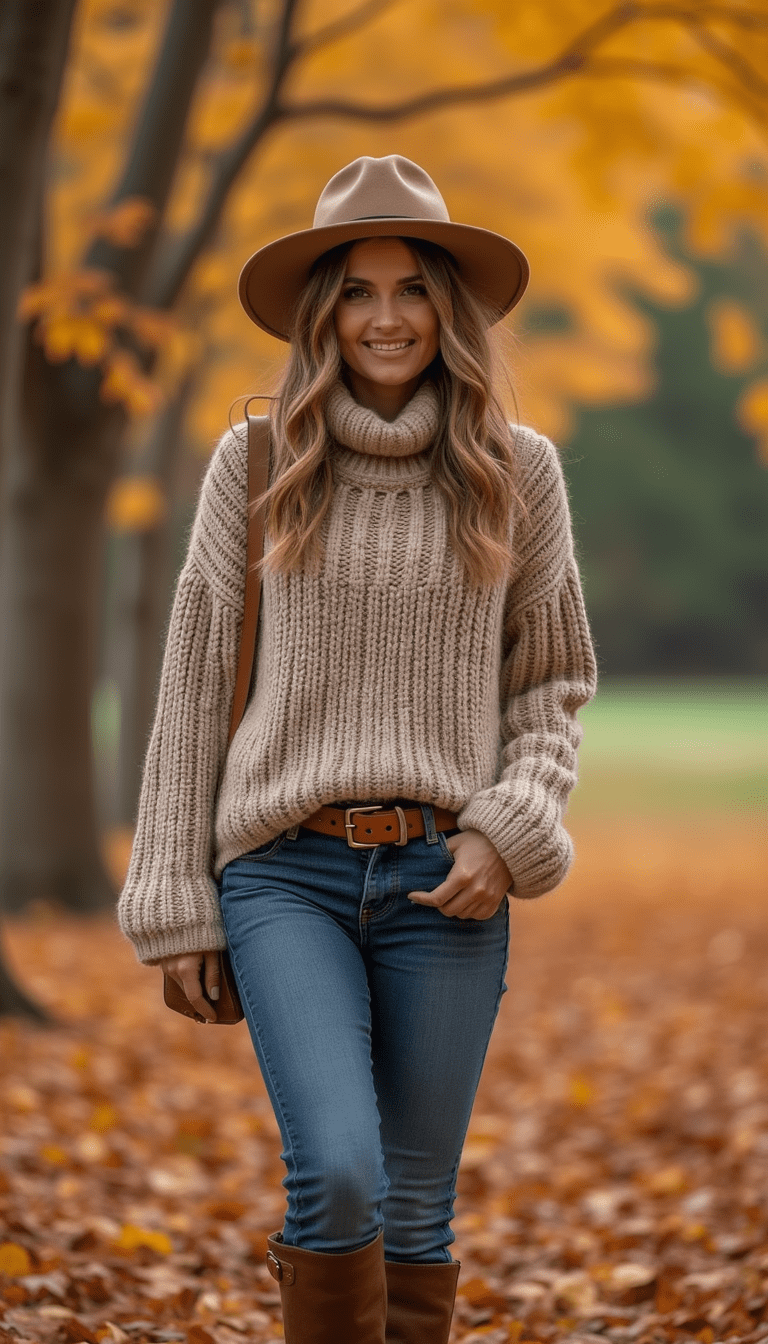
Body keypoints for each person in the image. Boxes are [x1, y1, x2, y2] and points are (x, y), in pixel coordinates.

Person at [118, 155, 597, 1344]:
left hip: (451, 877)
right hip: (287, 874)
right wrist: (176, 899)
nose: (386, 318)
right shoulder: (258, 465)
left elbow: (553, 684)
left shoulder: (518, 474)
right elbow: (189, 687)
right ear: (320, 313)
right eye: (356, 291)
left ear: (451, 308)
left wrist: (510, 829)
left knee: (419, 1208)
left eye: (412, 289)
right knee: (337, 1174)